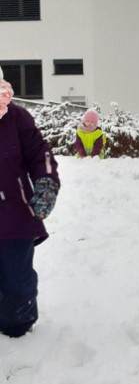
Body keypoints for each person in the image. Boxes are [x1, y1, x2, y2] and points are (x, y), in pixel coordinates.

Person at [0, 73, 60, 338]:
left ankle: (18, 325)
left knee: (16, 276)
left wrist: (45, 185)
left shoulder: (17, 118)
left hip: (14, 213)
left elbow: (40, 155)